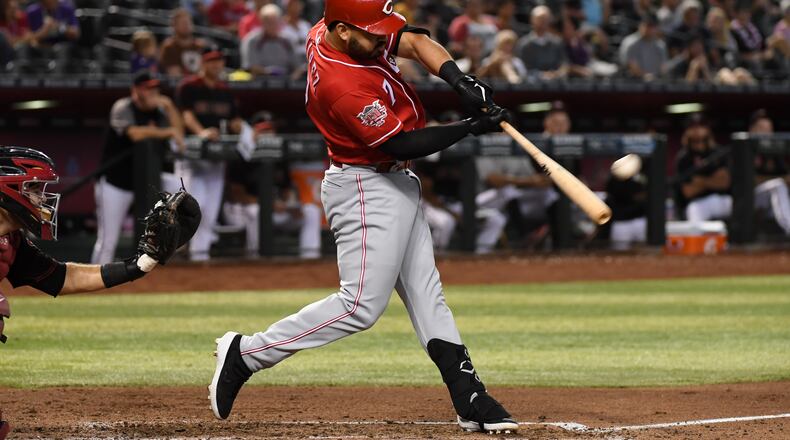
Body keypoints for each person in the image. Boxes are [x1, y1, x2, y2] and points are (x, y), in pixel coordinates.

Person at [209, 0, 518, 434]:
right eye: (371, 33)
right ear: (341, 30)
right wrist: (469, 126)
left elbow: (414, 39)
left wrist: (461, 80)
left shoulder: (335, 30)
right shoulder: (340, 83)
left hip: (391, 183)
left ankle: (469, 397)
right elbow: (402, 145)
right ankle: (247, 354)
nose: (380, 40)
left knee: (428, 296)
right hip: (364, 186)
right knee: (358, 306)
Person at [0, 146, 199, 440]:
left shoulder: (10, 242)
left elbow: (62, 277)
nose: (42, 198)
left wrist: (138, 265)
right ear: (8, 189)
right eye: (33, 189)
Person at [91, 71, 184, 264]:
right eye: (148, 88)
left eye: (155, 88)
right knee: (108, 239)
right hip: (116, 182)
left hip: (146, 182)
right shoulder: (124, 107)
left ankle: (179, 241)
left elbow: (179, 136)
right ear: (136, 90)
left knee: (178, 185)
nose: (153, 93)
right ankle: (94, 280)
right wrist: (166, 131)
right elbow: (135, 134)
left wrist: (169, 106)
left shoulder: (159, 111)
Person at [176, 48, 244, 261]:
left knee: (210, 213)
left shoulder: (225, 90)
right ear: (203, 64)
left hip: (216, 158)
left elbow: (235, 119)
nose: (216, 65)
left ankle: (200, 258)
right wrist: (201, 133)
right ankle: (179, 253)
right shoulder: (189, 87)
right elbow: (185, 116)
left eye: (219, 61)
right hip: (192, 156)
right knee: (194, 208)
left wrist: (237, 127)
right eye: (212, 61)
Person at [674, 114, 731, 223]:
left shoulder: (718, 152)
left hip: (723, 199)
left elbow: (725, 182)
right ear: (687, 131)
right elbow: (688, 191)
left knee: (741, 206)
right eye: (693, 127)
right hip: (697, 203)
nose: (697, 130)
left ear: (707, 129)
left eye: (701, 126)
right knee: (694, 211)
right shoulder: (684, 158)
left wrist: (699, 181)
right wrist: (713, 180)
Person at [749, 109, 790, 236]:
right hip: (748, 201)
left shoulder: (776, 151)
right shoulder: (745, 149)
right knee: (777, 185)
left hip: (772, 203)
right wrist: (782, 179)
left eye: (769, 129)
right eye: (761, 128)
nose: (766, 133)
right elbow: (748, 181)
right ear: (752, 130)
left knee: (779, 186)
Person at [240, 4, 298, 77]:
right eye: (268, 22)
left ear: (280, 22)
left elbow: (297, 67)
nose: (272, 26)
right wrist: (269, 72)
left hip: (286, 83)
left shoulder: (288, 40)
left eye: (274, 22)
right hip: (259, 83)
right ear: (261, 22)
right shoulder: (251, 40)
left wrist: (292, 78)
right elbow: (251, 67)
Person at [24, 0, 79, 73]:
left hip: (62, 47)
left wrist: (59, 27)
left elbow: (76, 33)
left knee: (61, 49)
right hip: (40, 47)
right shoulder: (31, 11)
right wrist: (44, 31)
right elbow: (27, 38)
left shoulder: (67, 8)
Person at [606, 156, 648, 250]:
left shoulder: (638, 179)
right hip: (621, 223)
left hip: (639, 221)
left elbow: (643, 197)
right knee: (620, 254)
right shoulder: (613, 182)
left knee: (643, 251)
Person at [517, 5, 567, 80]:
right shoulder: (524, 44)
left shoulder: (557, 42)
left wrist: (558, 73)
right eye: (540, 19)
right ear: (532, 20)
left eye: (546, 19)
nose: (543, 22)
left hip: (555, 85)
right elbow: (521, 68)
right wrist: (541, 75)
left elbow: (564, 64)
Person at [619, 13, 667, 80]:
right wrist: (646, 77)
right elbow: (632, 67)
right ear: (640, 25)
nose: (647, 29)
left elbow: (663, 68)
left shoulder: (660, 45)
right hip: (633, 82)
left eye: (651, 26)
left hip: (656, 82)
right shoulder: (630, 43)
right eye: (646, 25)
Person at [159, 8, 205, 77]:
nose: (186, 26)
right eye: (183, 23)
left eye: (188, 23)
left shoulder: (199, 45)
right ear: (174, 26)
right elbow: (174, 74)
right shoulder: (169, 47)